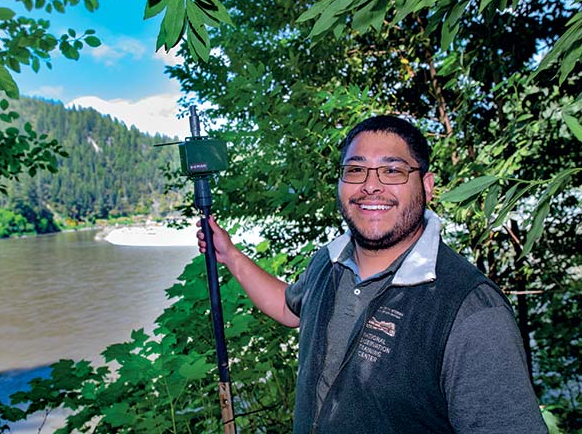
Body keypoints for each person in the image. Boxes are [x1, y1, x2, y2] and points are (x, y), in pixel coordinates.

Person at [197, 115, 548, 433]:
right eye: (356, 170)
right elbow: (291, 310)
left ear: (427, 186)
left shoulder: (469, 310)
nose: (371, 185)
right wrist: (230, 255)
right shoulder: (329, 261)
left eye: (392, 171)